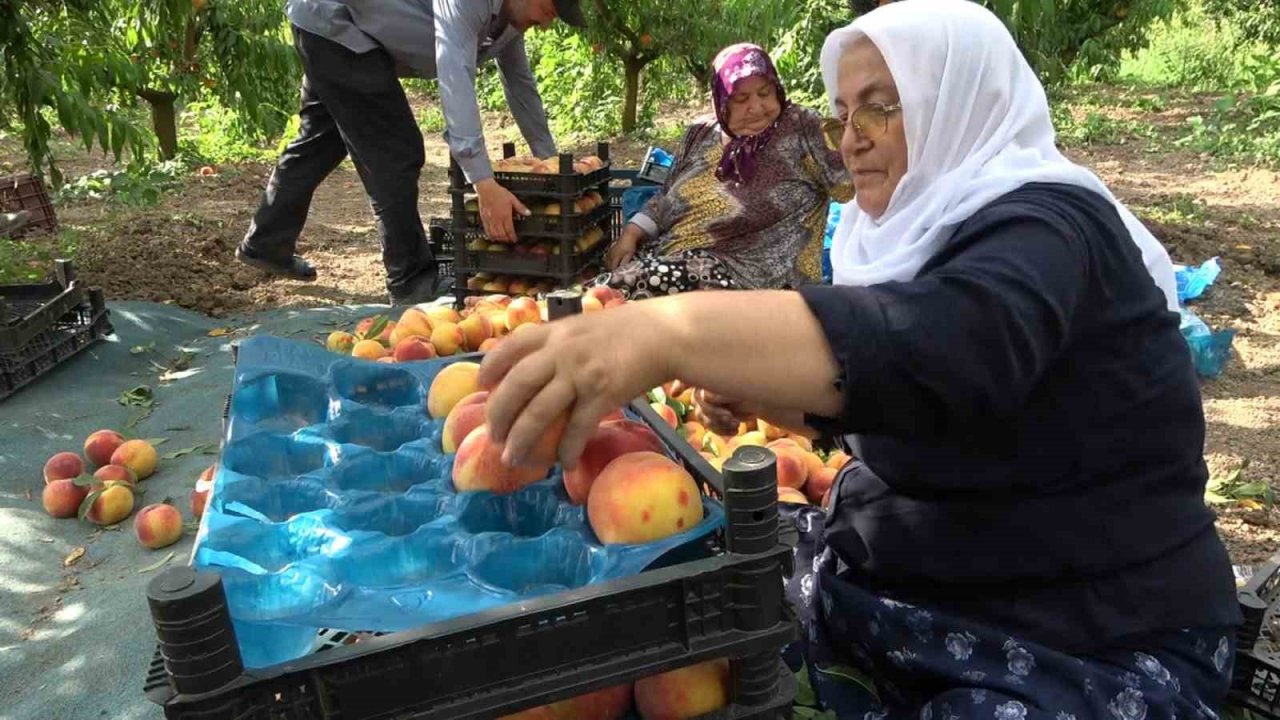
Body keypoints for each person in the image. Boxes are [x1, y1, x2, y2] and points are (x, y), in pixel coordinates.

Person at [476, 1, 1241, 717]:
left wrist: (664, 333)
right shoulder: (921, 232)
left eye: (886, 104)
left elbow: (949, 344)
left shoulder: (1051, 227)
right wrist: (767, 393)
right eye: (845, 112)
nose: (853, 135)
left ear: (960, 103)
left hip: (1090, 631)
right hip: (956, 585)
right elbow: (926, 403)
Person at [237, 0, 584, 305]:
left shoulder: (509, 19)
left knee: (320, 141)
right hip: (334, 20)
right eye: (551, 7)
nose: (549, 20)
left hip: (348, 24)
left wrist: (549, 162)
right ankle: (410, 279)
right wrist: (483, 182)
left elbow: (519, 83)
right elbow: (455, 77)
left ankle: (266, 242)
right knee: (396, 151)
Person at [598, 43, 852, 297]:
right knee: (601, 289)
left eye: (765, 93)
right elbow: (665, 197)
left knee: (607, 296)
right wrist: (630, 234)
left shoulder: (801, 127)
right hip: (670, 260)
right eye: (741, 99)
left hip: (746, 277)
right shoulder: (701, 133)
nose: (756, 107)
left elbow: (856, 179)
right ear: (721, 101)